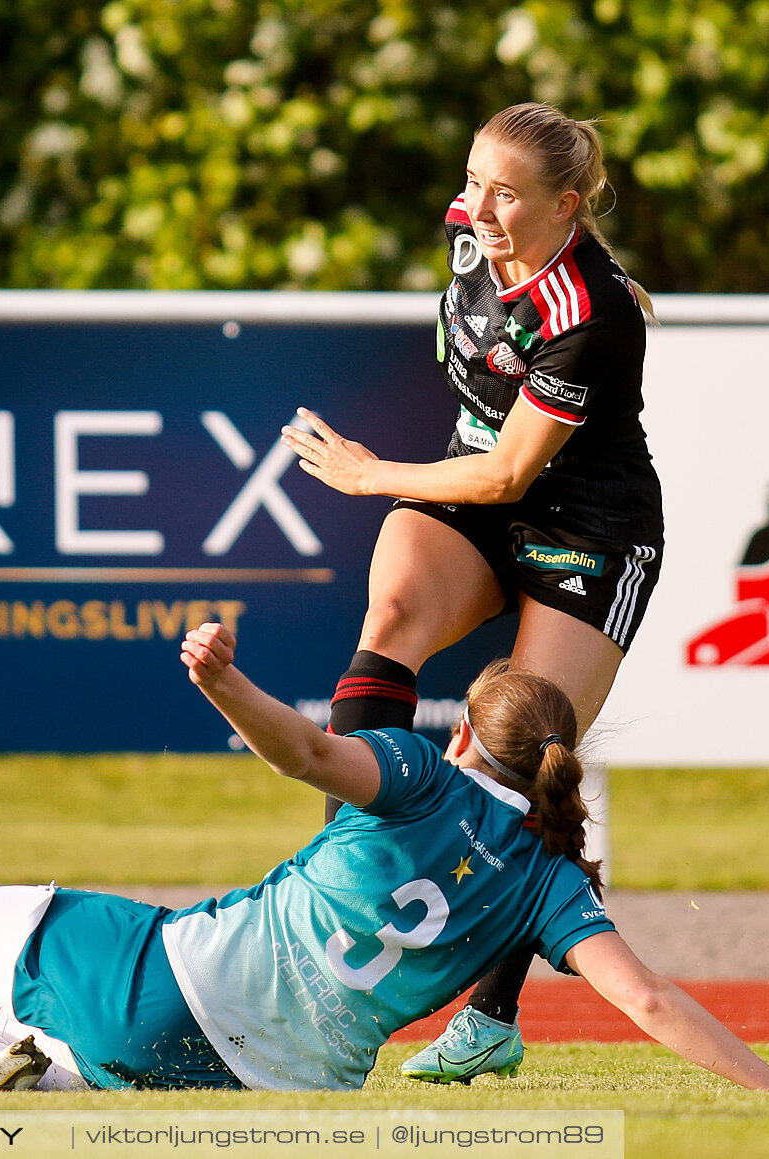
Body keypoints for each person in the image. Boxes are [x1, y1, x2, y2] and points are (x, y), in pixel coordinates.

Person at [0, 624, 769, 1094]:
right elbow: (643, 997)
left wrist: (220, 683)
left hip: (167, 980)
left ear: (460, 734)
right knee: (35, 1054)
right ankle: (24, 1072)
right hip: (274, 1089)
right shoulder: (552, 880)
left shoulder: (420, 774)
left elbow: (303, 751)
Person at [279, 102, 663, 1082]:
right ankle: (349, 878)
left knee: (520, 758)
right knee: (393, 614)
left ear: (566, 204)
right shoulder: (469, 227)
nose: (481, 206)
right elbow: (482, 470)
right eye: (475, 180)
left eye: (508, 192)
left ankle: (491, 1015)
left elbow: (509, 477)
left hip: (587, 527)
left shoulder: (593, 312)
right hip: (478, 485)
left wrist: (372, 475)